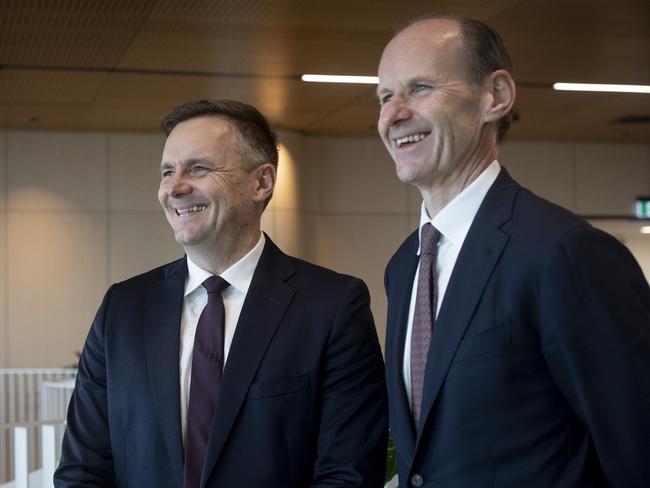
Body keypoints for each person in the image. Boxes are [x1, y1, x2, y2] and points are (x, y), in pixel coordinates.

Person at [54, 99, 387, 487]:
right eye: (167, 172)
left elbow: (348, 474)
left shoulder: (331, 306)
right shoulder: (123, 309)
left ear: (261, 182)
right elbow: (83, 469)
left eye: (197, 168)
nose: (174, 188)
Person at [377, 14, 650, 487]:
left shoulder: (566, 253)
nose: (392, 114)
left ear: (495, 97)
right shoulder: (404, 265)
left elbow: (637, 451)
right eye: (384, 96)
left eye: (419, 88)